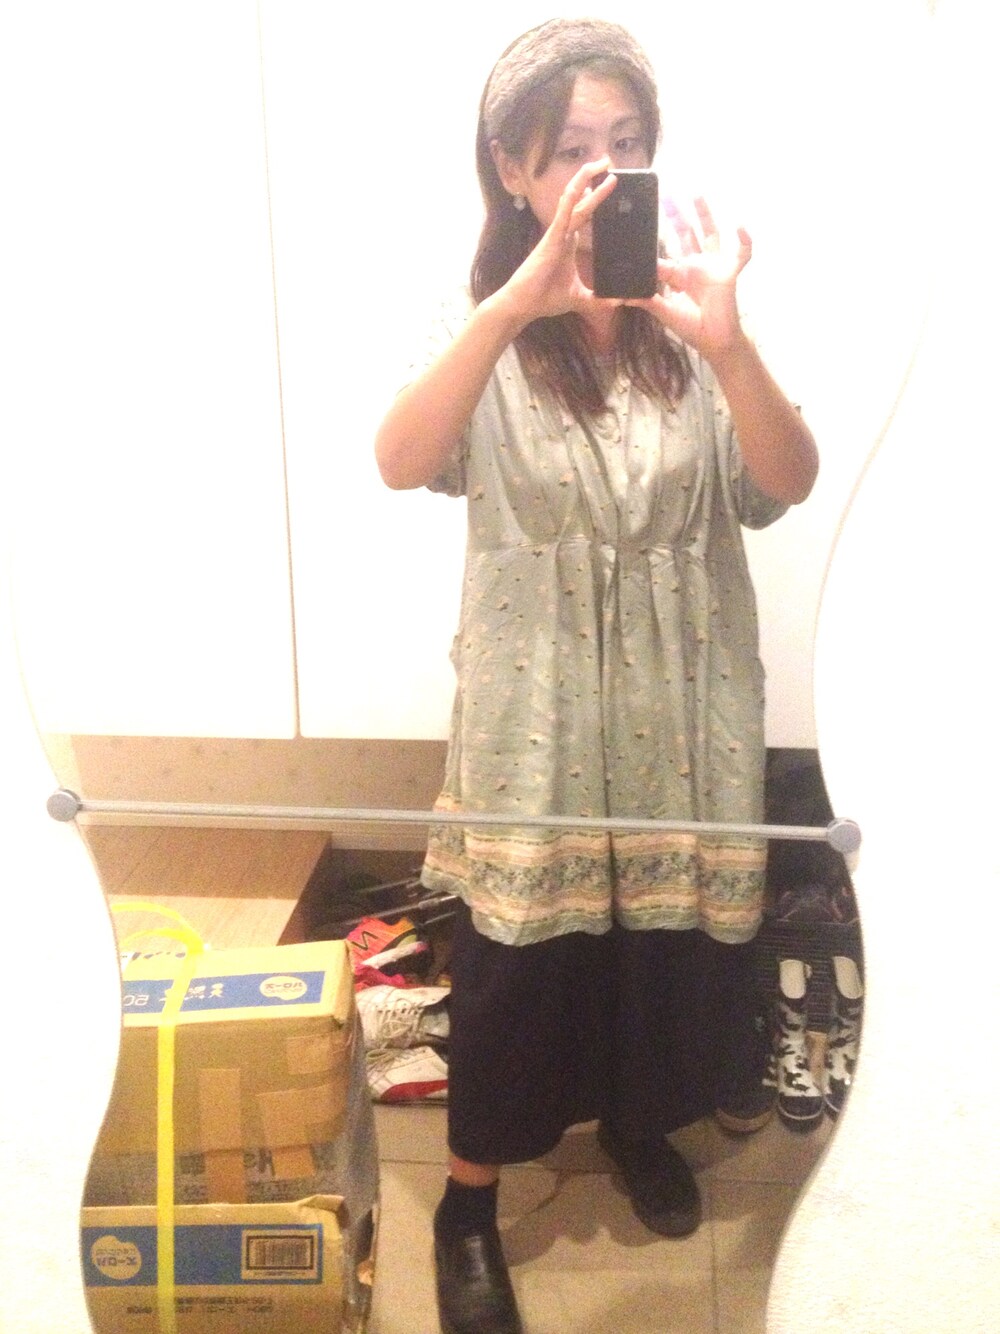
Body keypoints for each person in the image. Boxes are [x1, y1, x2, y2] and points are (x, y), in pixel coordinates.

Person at [375, 17, 818, 1334]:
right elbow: (400, 460)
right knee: (518, 968)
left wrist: (728, 345)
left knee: (662, 947)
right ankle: (467, 1204)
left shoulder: (692, 311)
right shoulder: (481, 320)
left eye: (627, 142)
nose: (602, 171)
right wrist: (513, 309)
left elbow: (784, 484)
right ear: (512, 169)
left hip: (682, 706)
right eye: (571, 148)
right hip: (539, 715)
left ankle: (637, 1122)